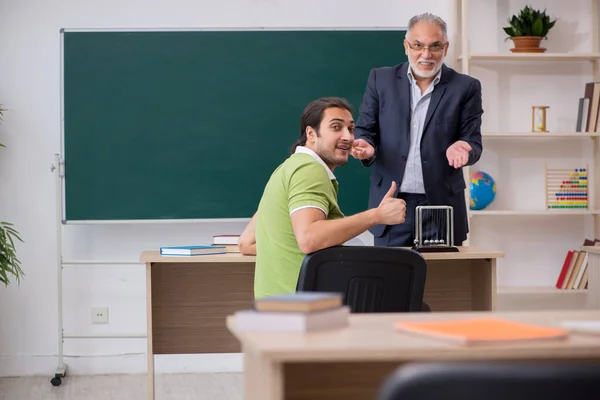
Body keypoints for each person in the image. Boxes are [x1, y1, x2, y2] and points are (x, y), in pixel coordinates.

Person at [238, 97, 407, 299]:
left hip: (272, 312)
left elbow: (246, 243)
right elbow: (310, 238)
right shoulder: (309, 170)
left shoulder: (286, 170)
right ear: (311, 134)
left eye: (351, 129)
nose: (348, 137)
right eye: (336, 127)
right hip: (302, 314)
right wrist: (376, 216)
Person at [351, 12, 483, 248]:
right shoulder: (380, 80)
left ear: (446, 47)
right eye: (418, 45)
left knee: (444, 283)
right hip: (391, 204)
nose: (426, 54)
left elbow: (472, 141)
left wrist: (465, 147)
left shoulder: (466, 87)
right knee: (392, 282)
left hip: (442, 206)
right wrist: (367, 146)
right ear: (406, 46)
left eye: (435, 46)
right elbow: (365, 130)